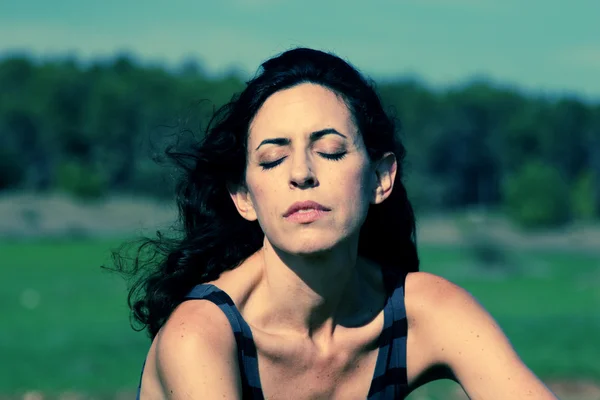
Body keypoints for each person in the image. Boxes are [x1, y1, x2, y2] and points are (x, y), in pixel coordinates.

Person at [117, 47, 558, 399]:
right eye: (272, 159)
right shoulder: (202, 335)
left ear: (381, 178)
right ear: (244, 197)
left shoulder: (423, 312)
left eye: (329, 150)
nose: (302, 173)